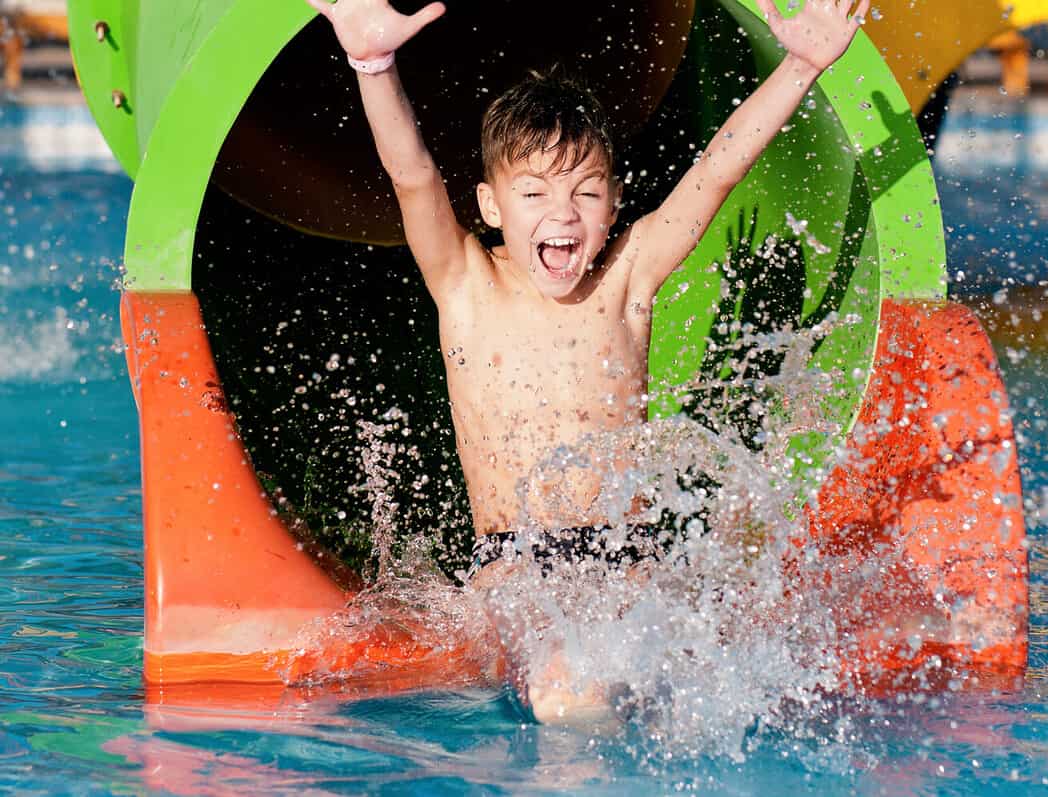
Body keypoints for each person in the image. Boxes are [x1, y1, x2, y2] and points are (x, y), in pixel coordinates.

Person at [305, 0, 871, 723]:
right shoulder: (465, 284)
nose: (562, 213)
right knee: (567, 685)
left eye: (586, 192)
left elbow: (717, 172)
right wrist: (372, 65)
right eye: (534, 193)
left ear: (614, 205)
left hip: (626, 557)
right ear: (490, 204)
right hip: (513, 564)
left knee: (747, 665)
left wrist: (802, 66)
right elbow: (411, 175)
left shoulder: (628, 278)